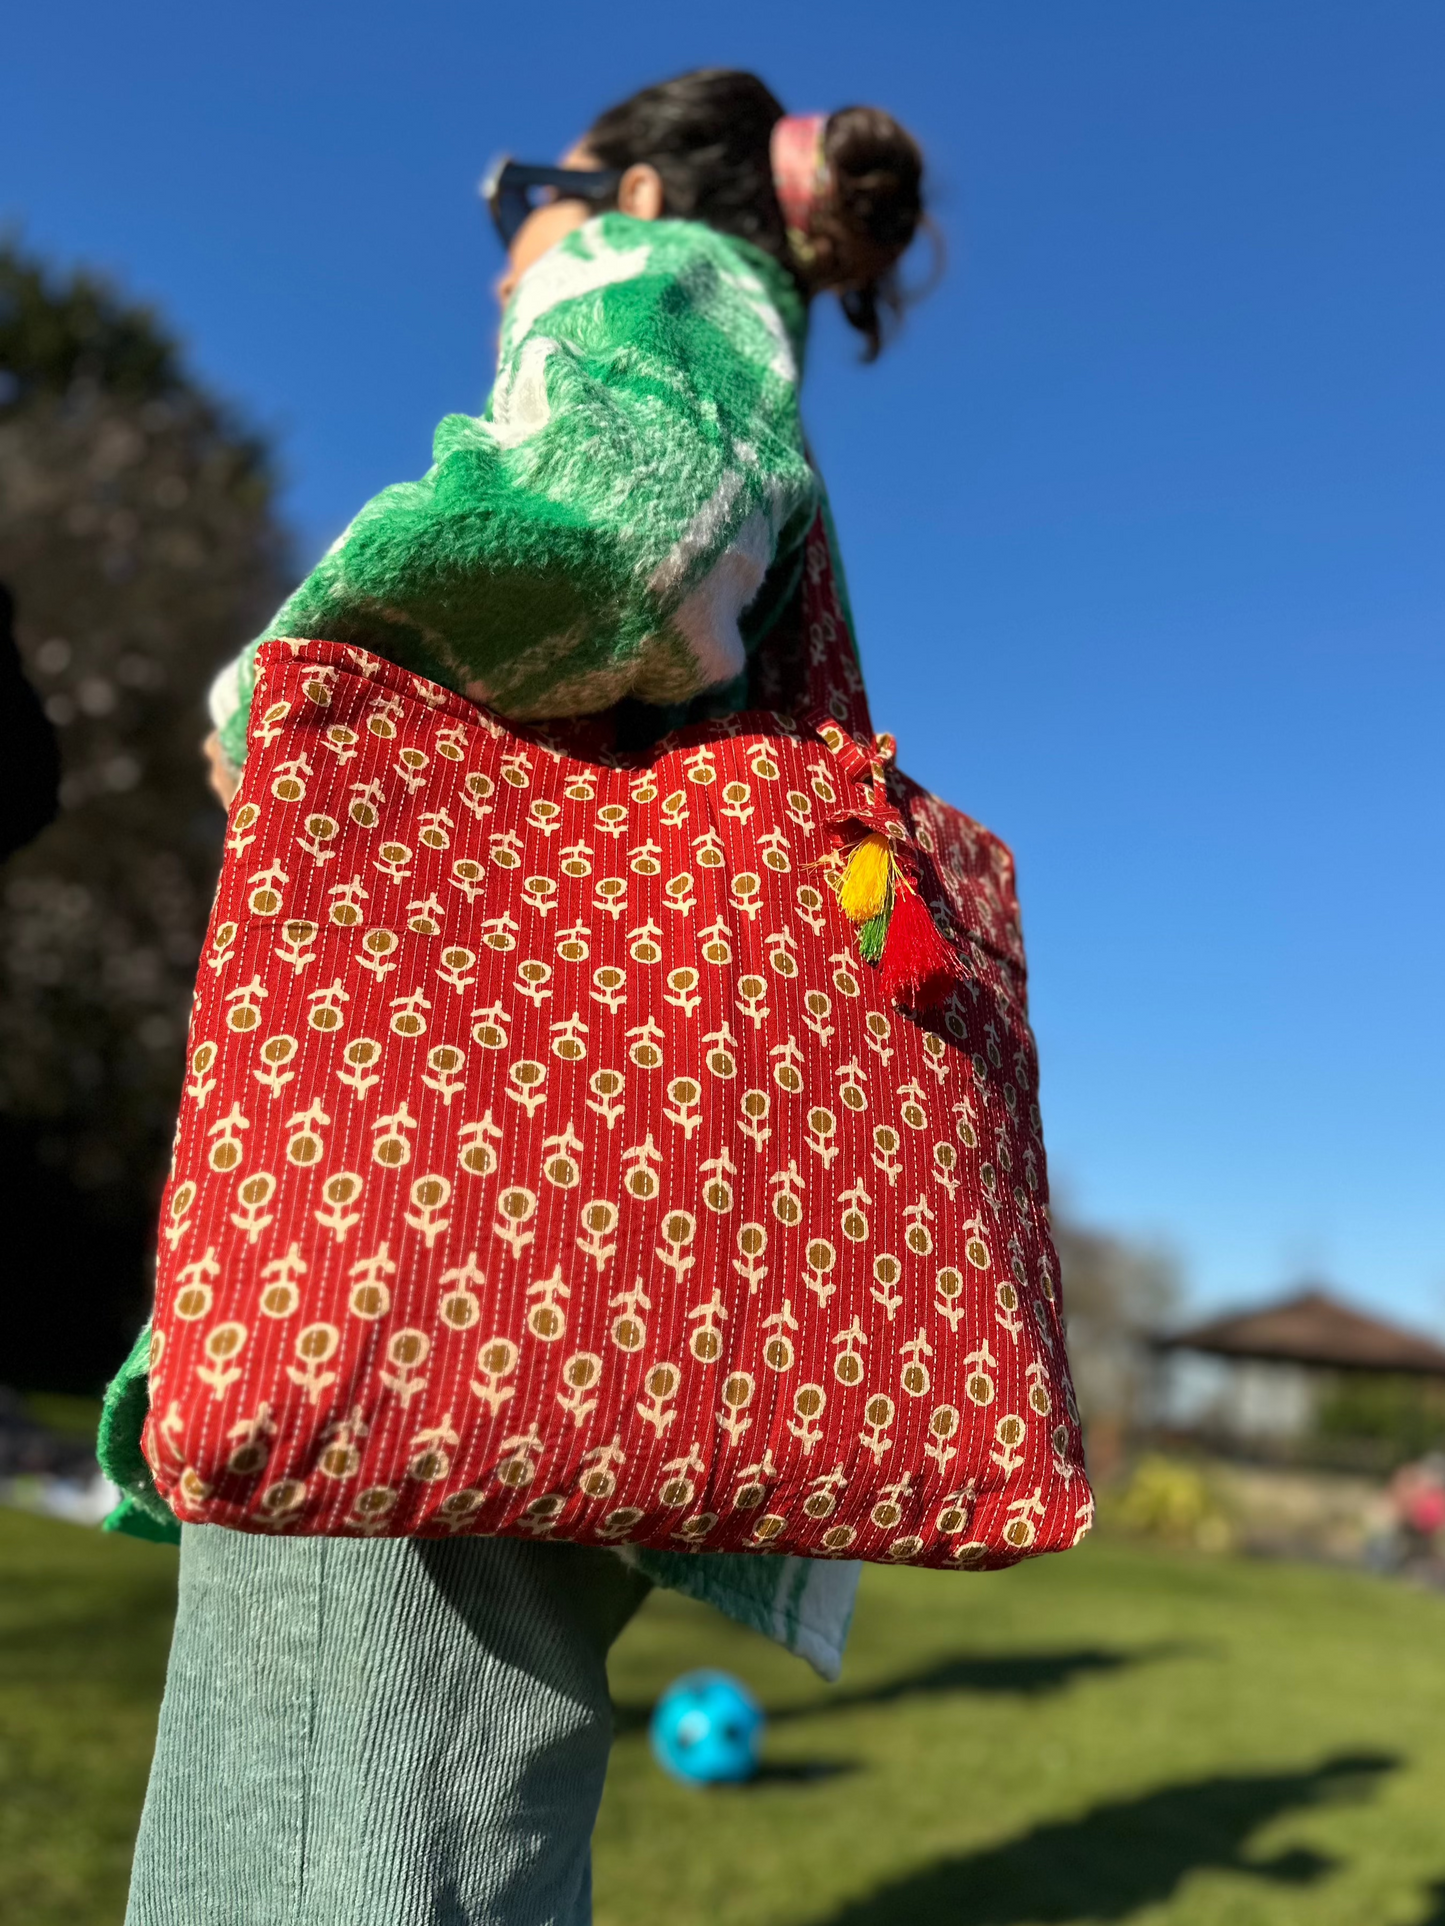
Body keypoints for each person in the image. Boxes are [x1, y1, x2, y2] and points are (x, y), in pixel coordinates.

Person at [105, 67, 928, 1925]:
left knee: (322, 1854)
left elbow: (630, 518)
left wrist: (285, 692)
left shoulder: (652, 278)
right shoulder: (751, 339)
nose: (502, 268)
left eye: (515, 207)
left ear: (626, 183)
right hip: (586, 1240)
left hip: (428, 1235)